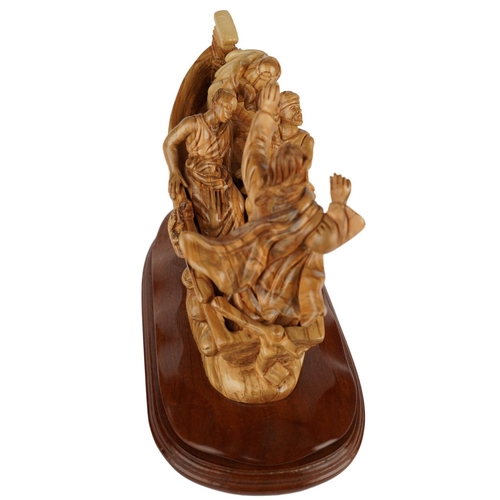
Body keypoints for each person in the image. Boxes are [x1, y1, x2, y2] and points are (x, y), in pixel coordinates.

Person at [179, 83, 365, 328]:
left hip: (256, 280)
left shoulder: (262, 191)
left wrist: (265, 113)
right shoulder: (307, 213)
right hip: (287, 290)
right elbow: (327, 237)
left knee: (248, 282)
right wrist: (338, 203)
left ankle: (237, 295)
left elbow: (254, 153)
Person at [163, 88, 244, 238]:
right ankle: (212, 247)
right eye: (227, 107)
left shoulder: (228, 127)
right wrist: (174, 171)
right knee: (213, 219)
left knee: (238, 205)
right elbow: (169, 143)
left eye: (232, 110)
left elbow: (227, 157)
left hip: (220, 176)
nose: (229, 113)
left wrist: (234, 179)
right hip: (197, 175)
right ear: (214, 103)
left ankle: (235, 246)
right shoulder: (193, 123)